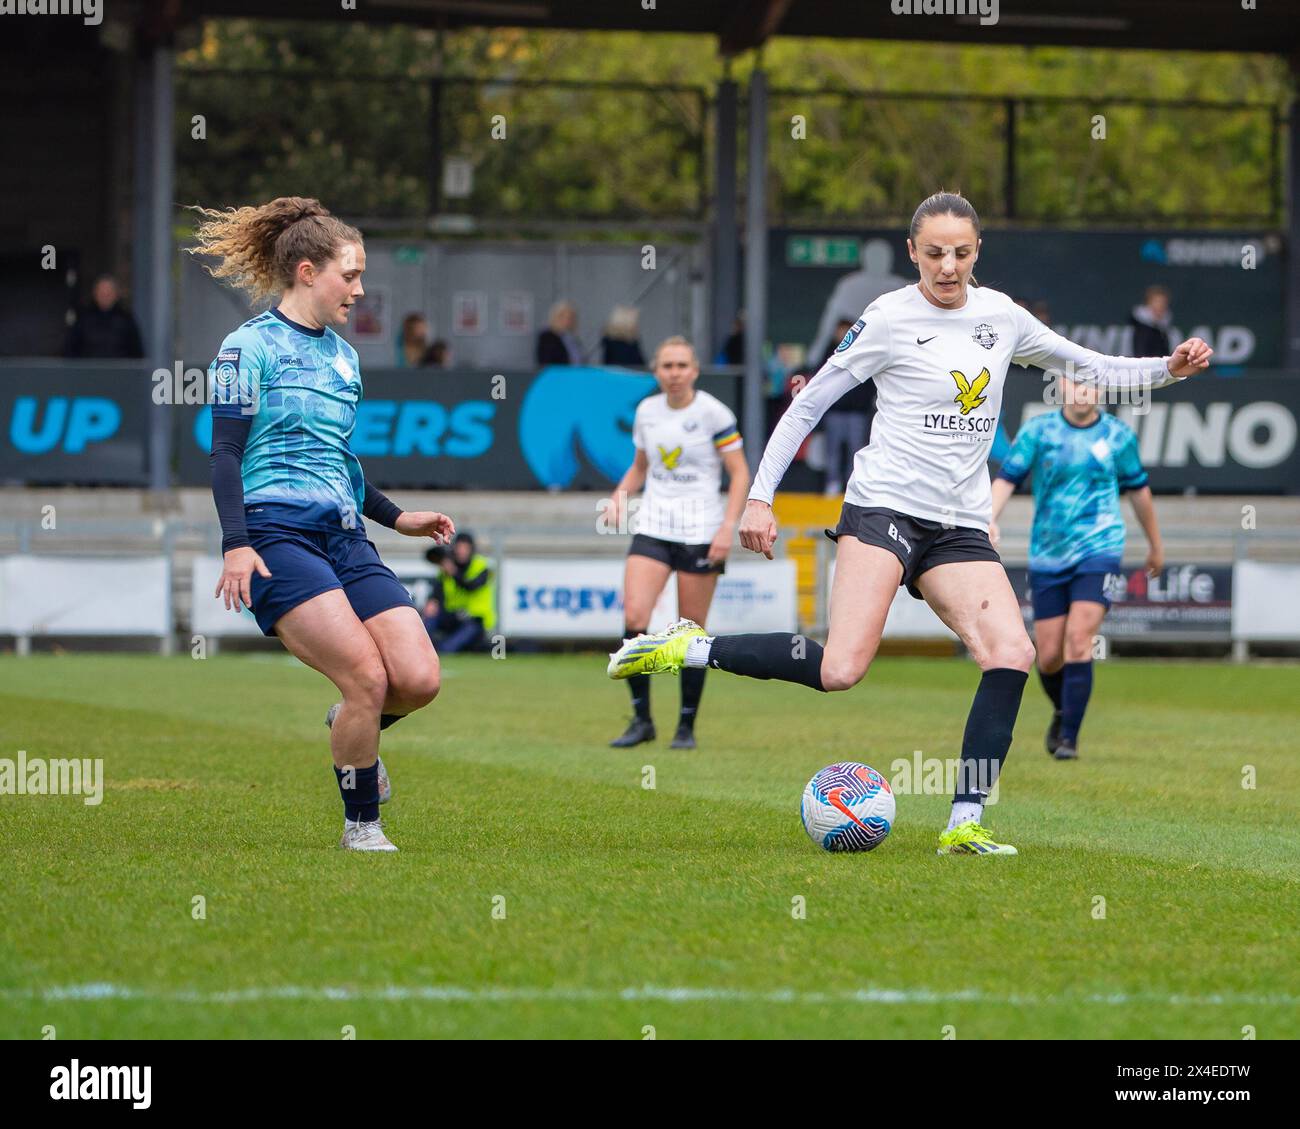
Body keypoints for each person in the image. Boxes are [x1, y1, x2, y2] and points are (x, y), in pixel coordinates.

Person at [608, 191, 1211, 855]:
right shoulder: (888, 317)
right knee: (841, 668)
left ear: (977, 250)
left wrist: (1167, 369)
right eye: (934, 253)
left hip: (959, 525)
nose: (947, 265)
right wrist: (761, 497)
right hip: (884, 509)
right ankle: (691, 647)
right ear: (912, 252)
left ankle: (963, 821)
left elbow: (1085, 365)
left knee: (1009, 653)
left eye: (959, 251)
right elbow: (811, 405)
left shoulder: (1001, 316)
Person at [193, 196, 457, 853]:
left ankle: (350, 724)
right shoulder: (245, 347)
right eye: (352, 274)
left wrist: (398, 518)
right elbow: (224, 453)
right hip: (274, 533)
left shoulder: (344, 358)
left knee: (418, 678)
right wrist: (235, 544)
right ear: (307, 272)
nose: (361, 290)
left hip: (343, 533)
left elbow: (339, 462)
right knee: (367, 678)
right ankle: (361, 824)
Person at [989, 377, 1163, 761]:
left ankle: (1069, 737)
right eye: (1075, 382)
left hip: (1100, 549)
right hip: (1049, 553)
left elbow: (1139, 492)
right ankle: (1063, 709)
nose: (1083, 389)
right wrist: (989, 518)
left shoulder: (1118, 436)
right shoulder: (1040, 431)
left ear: (1100, 392)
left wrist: (1155, 545)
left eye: (1090, 384)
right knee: (1049, 655)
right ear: (1061, 388)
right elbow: (1007, 478)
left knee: (1079, 639)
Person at [601, 336, 749, 750]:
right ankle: (642, 719)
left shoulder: (714, 413)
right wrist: (620, 495)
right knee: (634, 619)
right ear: (656, 371)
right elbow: (640, 466)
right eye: (667, 366)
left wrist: (727, 528)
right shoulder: (647, 411)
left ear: (695, 370)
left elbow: (739, 473)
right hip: (654, 526)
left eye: (682, 365)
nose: (674, 373)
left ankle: (686, 727)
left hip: (701, 531)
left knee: (691, 633)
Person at [818, 316, 877, 496]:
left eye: (846, 331)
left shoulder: (862, 351)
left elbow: (871, 382)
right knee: (832, 451)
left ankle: (853, 488)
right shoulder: (829, 353)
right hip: (835, 412)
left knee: (856, 451)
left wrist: (864, 402)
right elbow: (820, 381)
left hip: (857, 413)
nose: (843, 334)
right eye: (840, 331)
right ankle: (832, 484)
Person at [422, 533, 496, 653]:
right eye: (459, 547)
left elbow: (471, 586)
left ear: (472, 549)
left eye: (465, 548)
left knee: (447, 648)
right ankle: (420, 645)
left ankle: (439, 648)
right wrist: (432, 601)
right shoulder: (447, 568)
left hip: (475, 620)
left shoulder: (483, 567)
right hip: (454, 616)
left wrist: (453, 572)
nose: (461, 551)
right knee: (431, 614)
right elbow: (437, 590)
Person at [63, 275, 145, 359]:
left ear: (116, 294)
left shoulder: (126, 320)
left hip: (118, 370)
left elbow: (136, 354)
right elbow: (70, 350)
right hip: (89, 370)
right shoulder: (83, 319)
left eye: (109, 293)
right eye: (102, 293)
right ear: (95, 294)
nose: (105, 296)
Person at [1130, 285, 1174, 357]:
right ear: (1148, 303)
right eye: (1157, 302)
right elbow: (1140, 356)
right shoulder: (1142, 329)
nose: (1160, 305)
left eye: (1163, 302)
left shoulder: (1163, 328)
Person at [537, 300, 583, 365]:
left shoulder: (572, 338)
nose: (567, 321)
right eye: (563, 316)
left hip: (576, 373)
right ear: (555, 317)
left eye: (571, 318)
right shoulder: (547, 336)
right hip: (557, 373)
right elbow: (546, 361)